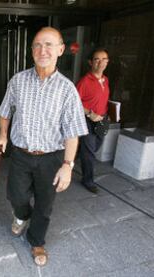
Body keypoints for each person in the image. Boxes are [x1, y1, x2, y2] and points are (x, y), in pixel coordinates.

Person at [0, 27, 88, 266]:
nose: (42, 50)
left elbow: (72, 131)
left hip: (51, 158)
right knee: (16, 196)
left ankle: (36, 241)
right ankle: (22, 215)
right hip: (21, 154)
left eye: (49, 45)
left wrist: (68, 165)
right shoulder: (18, 80)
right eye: (37, 45)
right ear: (31, 50)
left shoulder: (67, 89)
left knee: (45, 204)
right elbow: (6, 111)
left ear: (60, 49)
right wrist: (3, 135)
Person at [76, 48, 110, 194]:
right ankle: (88, 180)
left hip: (102, 120)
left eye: (104, 59)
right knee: (89, 152)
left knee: (94, 147)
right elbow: (74, 102)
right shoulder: (84, 81)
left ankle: (78, 154)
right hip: (87, 120)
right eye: (97, 59)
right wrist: (90, 113)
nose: (101, 62)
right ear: (91, 62)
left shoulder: (106, 79)